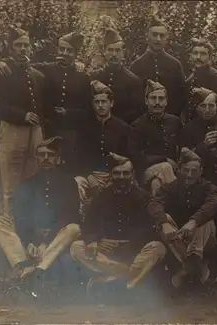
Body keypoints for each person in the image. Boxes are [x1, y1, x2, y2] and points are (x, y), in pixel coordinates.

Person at [0, 137, 80, 297]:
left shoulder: (68, 182)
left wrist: (46, 242)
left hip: (56, 238)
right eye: (42, 155)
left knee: (74, 228)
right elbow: (21, 216)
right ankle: (24, 266)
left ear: (58, 159)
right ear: (37, 158)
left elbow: (69, 214)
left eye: (50, 155)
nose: (46, 158)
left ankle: (38, 270)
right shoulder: (26, 183)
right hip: (31, 239)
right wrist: (30, 241)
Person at [70, 153, 166, 292]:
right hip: (107, 251)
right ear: (111, 175)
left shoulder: (143, 197)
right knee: (76, 247)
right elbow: (89, 224)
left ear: (132, 174)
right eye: (117, 173)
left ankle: (111, 282)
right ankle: (125, 281)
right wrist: (96, 240)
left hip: (133, 249)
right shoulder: (101, 196)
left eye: (125, 173)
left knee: (158, 248)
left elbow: (149, 229)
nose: (121, 177)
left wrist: (130, 244)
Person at [0, 31, 91, 174]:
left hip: (71, 134)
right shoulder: (46, 69)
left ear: (76, 54)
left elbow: (87, 110)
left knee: (67, 172)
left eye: (69, 51)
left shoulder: (82, 77)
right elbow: (22, 64)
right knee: (44, 171)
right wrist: (2, 62)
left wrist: (68, 113)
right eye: (62, 49)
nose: (65, 53)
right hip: (48, 131)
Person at [0, 27, 45, 216]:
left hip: (34, 131)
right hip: (13, 130)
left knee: (32, 175)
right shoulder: (3, 71)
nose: (23, 49)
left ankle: (28, 224)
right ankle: (10, 224)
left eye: (26, 45)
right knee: (11, 181)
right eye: (18, 46)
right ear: (11, 48)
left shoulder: (34, 71)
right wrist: (21, 115)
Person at [152, 148, 217, 289]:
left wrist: (194, 221)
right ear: (179, 170)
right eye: (186, 170)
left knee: (207, 221)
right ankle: (194, 266)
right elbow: (155, 204)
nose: (189, 175)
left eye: (194, 171)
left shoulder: (209, 187)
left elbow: (215, 202)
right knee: (163, 218)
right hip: (177, 239)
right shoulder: (169, 188)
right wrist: (165, 223)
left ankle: (189, 265)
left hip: (202, 240)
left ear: (201, 171)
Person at [179, 87, 217, 243]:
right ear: (196, 108)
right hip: (201, 179)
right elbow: (186, 157)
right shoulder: (188, 129)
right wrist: (204, 146)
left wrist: (201, 152)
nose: (207, 110)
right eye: (202, 106)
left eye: (211, 105)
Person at [74, 80, 132, 216]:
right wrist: (89, 176)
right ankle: (82, 221)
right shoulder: (85, 128)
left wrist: (116, 173)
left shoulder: (123, 128)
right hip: (90, 175)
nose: (100, 106)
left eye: (104, 102)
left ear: (111, 103)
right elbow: (78, 156)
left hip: (116, 175)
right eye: (97, 102)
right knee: (77, 183)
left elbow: (130, 156)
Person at [129, 16, 186, 117]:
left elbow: (181, 96)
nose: (158, 39)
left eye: (162, 35)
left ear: (166, 38)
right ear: (147, 36)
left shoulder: (175, 65)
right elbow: (133, 99)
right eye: (154, 35)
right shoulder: (136, 66)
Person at [129, 80, 179, 196]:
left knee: (158, 183)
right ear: (146, 101)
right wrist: (163, 159)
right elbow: (136, 156)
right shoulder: (138, 125)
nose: (157, 103)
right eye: (153, 98)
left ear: (166, 101)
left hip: (174, 170)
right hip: (147, 171)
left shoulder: (175, 122)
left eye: (161, 99)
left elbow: (182, 146)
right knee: (162, 171)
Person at [90, 28, 144, 124]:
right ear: (104, 51)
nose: (114, 54)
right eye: (110, 50)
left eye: (117, 50)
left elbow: (137, 112)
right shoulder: (94, 77)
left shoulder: (133, 80)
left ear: (123, 53)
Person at [182, 37, 217, 123]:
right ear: (190, 56)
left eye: (203, 54)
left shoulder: (216, 77)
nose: (198, 57)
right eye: (195, 53)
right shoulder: (190, 76)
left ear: (210, 57)